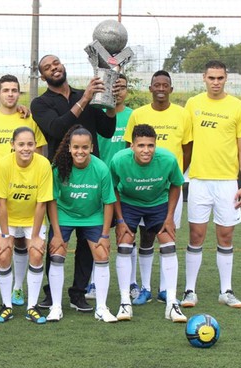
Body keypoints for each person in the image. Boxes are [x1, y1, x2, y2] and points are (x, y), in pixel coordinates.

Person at [31, 54, 117, 312]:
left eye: (56, 63)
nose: (54, 68)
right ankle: (51, 293)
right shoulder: (40, 103)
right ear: (42, 75)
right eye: (47, 67)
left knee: (86, 243)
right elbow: (56, 129)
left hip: (91, 173)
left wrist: (112, 102)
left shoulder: (86, 92)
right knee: (58, 238)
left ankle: (78, 293)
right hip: (62, 174)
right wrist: (85, 99)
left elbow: (107, 130)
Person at [180, 60, 241, 309]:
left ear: (226, 78)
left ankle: (226, 291)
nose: (216, 82)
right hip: (199, 180)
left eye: (220, 78)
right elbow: (185, 143)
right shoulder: (193, 104)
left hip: (227, 183)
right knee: (196, 235)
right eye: (212, 78)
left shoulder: (239, 107)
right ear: (204, 78)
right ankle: (190, 291)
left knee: (226, 235)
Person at [0, 74, 47, 307]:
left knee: (19, 242)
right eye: (5, 90)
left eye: (14, 90)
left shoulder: (28, 118)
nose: (10, 94)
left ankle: (17, 288)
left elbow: (39, 149)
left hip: (21, 190)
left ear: (19, 93)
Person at [123, 70, 192, 306]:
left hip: (167, 188)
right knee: (144, 238)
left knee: (167, 234)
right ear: (150, 88)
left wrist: (173, 176)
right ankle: (145, 288)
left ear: (171, 89)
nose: (161, 88)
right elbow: (127, 147)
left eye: (165, 85)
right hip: (140, 188)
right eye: (157, 85)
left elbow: (187, 149)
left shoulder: (183, 114)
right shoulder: (138, 114)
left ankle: (165, 290)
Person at [110, 124, 187, 323]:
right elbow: (112, 189)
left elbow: (176, 184)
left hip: (158, 202)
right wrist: (119, 220)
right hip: (129, 203)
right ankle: (125, 302)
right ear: (132, 146)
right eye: (141, 145)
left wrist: (169, 217)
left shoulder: (168, 159)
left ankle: (172, 303)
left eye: (150, 145)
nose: (146, 150)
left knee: (168, 243)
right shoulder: (119, 160)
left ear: (155, 145)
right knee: (124, 243)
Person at [46, 126, 117, 323]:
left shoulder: (101, 168)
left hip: (93, 215)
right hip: (65, 214)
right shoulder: (59, 168)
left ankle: (102, 308)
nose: (80, 151)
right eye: (76, 147)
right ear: (69, 147)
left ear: (92, 148)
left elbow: (109, 202)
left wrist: (104, 235)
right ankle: (56, 307)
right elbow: (51, 201)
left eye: (85, 147)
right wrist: (57, 234)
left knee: (102, 255)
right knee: (57, 254)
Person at [86, 73, 140, 302]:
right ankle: (93, 283)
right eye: (113, 86)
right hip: (99, 183)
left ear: (127, 90)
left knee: (127, 232)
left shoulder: (133, 116)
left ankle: (131, 282)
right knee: (96, 232)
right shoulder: (97, 114)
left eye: (122, 86)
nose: (117, 90)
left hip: (125, 185)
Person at [0, 127, 53, 324]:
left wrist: (35, 236)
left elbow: (41, 203)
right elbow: (0, 202)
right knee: (3, 254)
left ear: (35, 145)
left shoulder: (43, 164)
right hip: (7, 218)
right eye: (21, 144)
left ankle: (32, 307)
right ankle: (7, 306)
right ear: (12, 145)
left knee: (35, 253)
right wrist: (3, 234)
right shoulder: (2, 165)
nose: (26, 148)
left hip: (31, 218)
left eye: (30, 144)